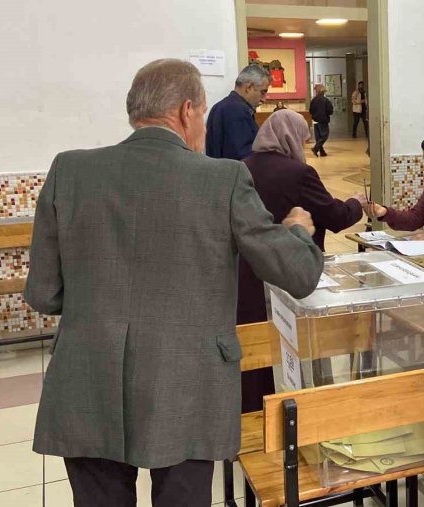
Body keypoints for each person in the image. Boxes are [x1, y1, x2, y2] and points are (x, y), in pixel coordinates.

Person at [24, 59, 324, 506]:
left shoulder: (69, 171)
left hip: (88, 379)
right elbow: (297, 275)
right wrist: (298, 228)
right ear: (187, 111)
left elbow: (44, 294)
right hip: (186, 384)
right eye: (202, 114)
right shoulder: (221, 179)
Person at [236, 109, 366, 410]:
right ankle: (306, 410)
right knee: (299, 345)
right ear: (290, 137)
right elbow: (333, 216)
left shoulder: (241, 167)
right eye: (304, 140)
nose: (305, 147)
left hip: (249, 273)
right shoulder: (298, 173)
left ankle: (257, 413)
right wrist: (355, 204)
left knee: (257, 346)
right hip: (292, 271)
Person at [205, 64, 270, 161]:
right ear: (249, 87)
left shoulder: (219, 106)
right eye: (263, 92)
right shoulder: (237, 111)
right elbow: (242, 157)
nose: (264, 99)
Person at [309, 83, 333, 157]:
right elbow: (330, 110)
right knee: (325, 135)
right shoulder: (326, 100)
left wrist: (314, 116)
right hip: (323, 120)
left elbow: (310, 110)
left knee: (318, 136)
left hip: (315, 120)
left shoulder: (313, 100)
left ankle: (322, 152)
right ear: (323, 92)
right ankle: (316, 148)